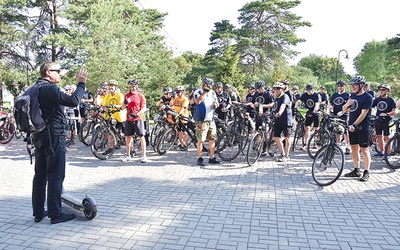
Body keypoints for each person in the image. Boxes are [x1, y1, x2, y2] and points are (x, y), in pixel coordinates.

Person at [32, 61, 88, 224]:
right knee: (56, 175)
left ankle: (38, 212)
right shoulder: (49, 88)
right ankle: (56, 214)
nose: (61, 73)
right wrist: (81, 83)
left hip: (39, 136)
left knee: (40, 175)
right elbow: (73, 101)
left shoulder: (34, 88)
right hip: (53, 136)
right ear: (48, 72)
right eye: (58, 71)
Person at [342, 75, 373, 182]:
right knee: (354, 148)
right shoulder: (352, 96)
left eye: (355, 85)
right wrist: (347, 104)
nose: (353, 87)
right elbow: (344, 110)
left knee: (364, 150)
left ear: (362, 85)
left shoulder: (368, 97)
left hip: (362, 127)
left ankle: (366, 172)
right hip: (352, 127)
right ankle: (356, 170)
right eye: (352, 85)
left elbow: (363, 113)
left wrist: (354, 125)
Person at [193, 77, 220, 166]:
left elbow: (217, 103)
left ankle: (211, 157)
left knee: (212, 139)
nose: (209, 87)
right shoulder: (198, 92)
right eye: (207, 85)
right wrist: (205, 92)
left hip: (211, 119)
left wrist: (215, 105)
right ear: (203, 85)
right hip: (201, 120)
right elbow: (197, 101)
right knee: (200, 140)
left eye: (210, 86)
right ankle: (199, 158)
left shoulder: (213, 93)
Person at [121, 79, 148, 163]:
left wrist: (137, 113)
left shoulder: (140, 96)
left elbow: (143, 107)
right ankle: (128, 155)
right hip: (129, 119)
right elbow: (122, 108)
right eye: (131, 86)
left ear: (137, 86)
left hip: (138, 119)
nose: (133, 88)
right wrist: (125, 103)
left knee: (141, 137)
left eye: (134, 86)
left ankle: (144, 155)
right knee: (128, 137)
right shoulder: (127, 96)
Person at [101, 80, 126, 155]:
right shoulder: (108, 95)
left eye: (112, 86)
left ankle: (131, 150)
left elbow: (122, 106)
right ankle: (110, 148)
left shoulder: (119, 95)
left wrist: (113, 106)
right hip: (112, 116)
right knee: (111, 133)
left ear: (115, 87)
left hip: (121, 117)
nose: (110, 87)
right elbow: (104, 105)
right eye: (109, 86)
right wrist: (103, 109)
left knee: (127, 135)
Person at [372, 83, 396, 157]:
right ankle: (382, 152)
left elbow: (394, 111)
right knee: (379, 135)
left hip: (387, 120)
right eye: (380, 90)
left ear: (387, 91)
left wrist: (387, 114)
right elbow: (370, 106)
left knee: (386, 136)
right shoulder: (377, 99)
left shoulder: (390, 100)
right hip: (378, 120)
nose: (381, 91)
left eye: (383, 90)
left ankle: (388, 153)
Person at [295, 84, 321, 150]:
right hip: (308, 112)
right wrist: (295, 107)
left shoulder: (317, 95)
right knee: (307, 128)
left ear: (313, 89)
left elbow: (317, 104)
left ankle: (315, 143)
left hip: (316, 113)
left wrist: (314, 111)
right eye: (307, 90)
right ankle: (306, 144)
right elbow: (299, 101)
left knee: (316, 128)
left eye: (310, 90)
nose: (308, 91)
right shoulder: (304, 95)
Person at [271, 82, 293, 161]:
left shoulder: (285, 96)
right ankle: (282, 153)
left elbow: (283, 105)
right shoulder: (275, 97)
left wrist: (279, 113)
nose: (276, 90)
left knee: (287, 137)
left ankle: (287, 155)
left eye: (278, 89)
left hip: (286, 120)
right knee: (276, 136)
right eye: (275, 89)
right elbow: (273, 107)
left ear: (282, 89)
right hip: (278, 120)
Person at [329, 80, 351, 154]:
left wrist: (344, 111)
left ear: (344, 86)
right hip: (335, 114)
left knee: (345, 131)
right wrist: (330, 108)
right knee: (337, 130)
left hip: (345, 115)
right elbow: (331, 103)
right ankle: (338, 145)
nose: (339, 87)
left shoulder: (348, 95)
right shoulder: (335, 95)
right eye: (338, 86)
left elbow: (350, 106)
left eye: (341, 85)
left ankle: (347, 146)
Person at [170, 86, 190, 150]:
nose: (177, 93)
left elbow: (183, 108)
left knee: (185, 132)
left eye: (179, 92)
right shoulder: (176, 98)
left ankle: (186, 145)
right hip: (177, 117)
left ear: (182, 92)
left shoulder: (185, 99)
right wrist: (172, 97)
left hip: (183, 116)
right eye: (176, 92)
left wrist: (179, 114)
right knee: (179, 131)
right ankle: (181, 144)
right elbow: (171, 105)